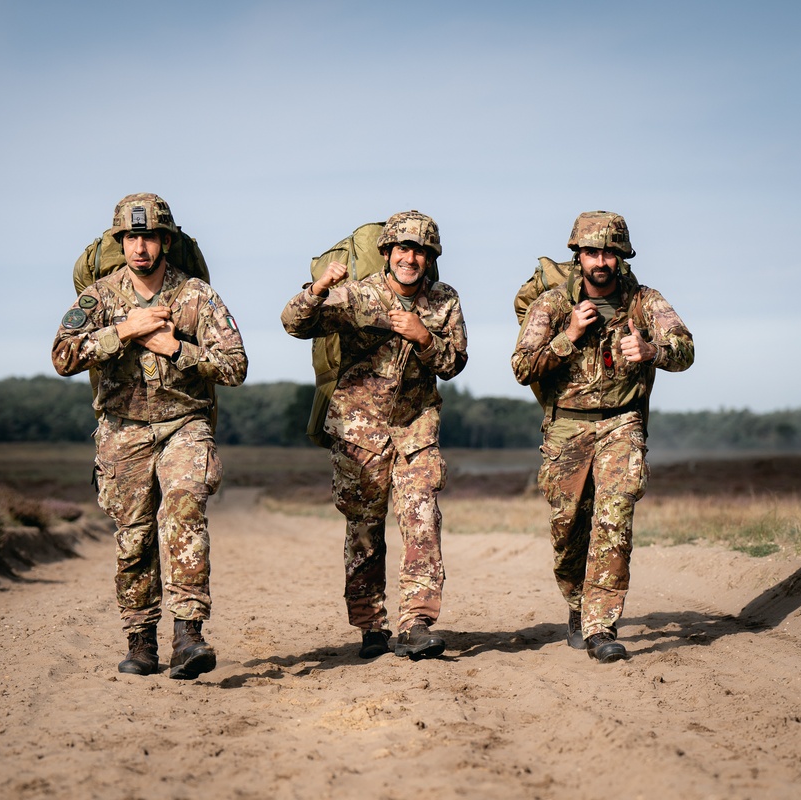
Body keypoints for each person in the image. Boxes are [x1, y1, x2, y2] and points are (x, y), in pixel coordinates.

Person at [52, 193, 248, 679]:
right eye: (131, 237)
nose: (140, 247)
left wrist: (175, 347)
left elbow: (235, 366)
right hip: (122, 430)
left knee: (184, 512)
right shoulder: (99, 296)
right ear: (120, 242)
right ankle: (140, 641)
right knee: (134, 537)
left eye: (150, 236)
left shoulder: (196, 295)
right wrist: (122, 331)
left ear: (166, 240)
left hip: (185, 424)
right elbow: (62, 357)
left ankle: (188, 635)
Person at [281, 210, 468, 660]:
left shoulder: (445, 300)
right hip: (358, 432)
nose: (410, 257)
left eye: (420, 250)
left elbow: (455, 362)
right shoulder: (358, 295)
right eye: (402, 248)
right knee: (363, 530)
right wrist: (319, 289)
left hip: (415, 429)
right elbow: (293, 323)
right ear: (386, 253)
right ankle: (371, 626)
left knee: (422, 520)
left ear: (431, 257)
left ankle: (416, 622)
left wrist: (425, 338)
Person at [511, 211, 694, 663]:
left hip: (622, 423)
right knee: (568, 529)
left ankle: (600, 626)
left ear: (622, 258)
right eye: (593, 251)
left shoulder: (644, 302)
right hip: (567, 428)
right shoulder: (552, 305)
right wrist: (568, 335)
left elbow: (686, 347)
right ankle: (577, 604)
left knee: (614, 518)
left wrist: (654, 350)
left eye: (610, 253)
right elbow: (521, 367)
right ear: (578, 255)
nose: (601, 261)